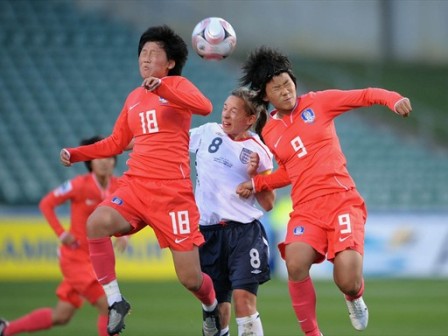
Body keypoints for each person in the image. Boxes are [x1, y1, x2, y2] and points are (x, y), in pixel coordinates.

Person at [236, 46, 412, 336]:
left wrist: (394, 100)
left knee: (347, 280)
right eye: (277, 88)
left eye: (288, 84)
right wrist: (257, 183)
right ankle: (312, 333)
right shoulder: (269, 131)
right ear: (266, 96)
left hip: (342, 202)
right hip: (306, 209)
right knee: (295, 262)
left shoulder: (319, 103)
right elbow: (290, 173)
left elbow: (366, 94)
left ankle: (354, 297)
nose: (285, 91)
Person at [58, 25, 220, 336]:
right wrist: (77, 154)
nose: (145, 59)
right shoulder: (134, 97)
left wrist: (162, 88)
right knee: (96, 223)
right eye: (142, 53)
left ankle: (210, 307)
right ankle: (116, 301)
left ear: (169, 62)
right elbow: (116, 143)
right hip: (135, 187)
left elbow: (205, 107)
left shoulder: (178, 85)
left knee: (190, 279)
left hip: (173, 195)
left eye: (153, 54)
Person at [0, 136, 127, 336]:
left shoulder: (119, 186)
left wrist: (124, 234)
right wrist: (61, 233)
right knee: (109, 305)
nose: (105, 161)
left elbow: (129, 212)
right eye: (100, 157)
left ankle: (6, 329)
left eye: (109, 157)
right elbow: (46, 203)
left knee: (62, 315)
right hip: (75, 260)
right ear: (90, 162)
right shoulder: (78, 185)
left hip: (95, 261)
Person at [189, 87, 275, 336]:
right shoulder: (207, 132)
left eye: (234, 111)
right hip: (208, 233)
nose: (225, 114)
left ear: (249, 119)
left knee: (244, 302)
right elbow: (171, 142)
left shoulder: (260, 151)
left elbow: (268, 203)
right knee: (218, 311)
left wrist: (254, 177)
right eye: (225, 107)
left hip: (243, 234)